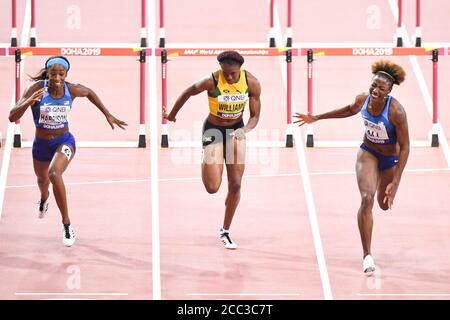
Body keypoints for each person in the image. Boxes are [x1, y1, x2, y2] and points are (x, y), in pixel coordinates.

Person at [293, 60, 410, 275]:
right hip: (368, 152)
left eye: (381, 88)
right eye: (373, 85)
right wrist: (317, 117)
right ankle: (367, 255)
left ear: (389, 91)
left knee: (383, 206)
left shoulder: (396, 112)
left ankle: (387, 189)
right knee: (367, 199)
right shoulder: (363, 99)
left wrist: (396, 181)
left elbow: (405, 147)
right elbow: (348, 110)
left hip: (390, 160)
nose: (375, 90)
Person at [9, 55, 127, 247]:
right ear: (47, 74)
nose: (56, 78)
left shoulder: (71, 90)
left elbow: (89, 93)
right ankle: (43, 198)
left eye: (61, 74)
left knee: (54, 173)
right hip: (41, 144)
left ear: (66, 75)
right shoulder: (37, 89)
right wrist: (29, 101)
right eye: (53, 73)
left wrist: (108, 114)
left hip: (64, 141)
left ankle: (66, 224)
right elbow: (12, 116)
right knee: (42, 181)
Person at [163, 51, 261, 249]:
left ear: (240, 69)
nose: (230, 77)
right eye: (226, 73)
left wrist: (245, 130)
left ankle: (225, 230)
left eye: (233, 74)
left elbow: (255, 116)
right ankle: (208, 157)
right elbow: (188, 92)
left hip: (236, 130)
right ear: (220, 69)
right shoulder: (212, 81)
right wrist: (172, 115)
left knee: (235, 184)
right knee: (212, 188)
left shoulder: (251, 82)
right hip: (214, 130)